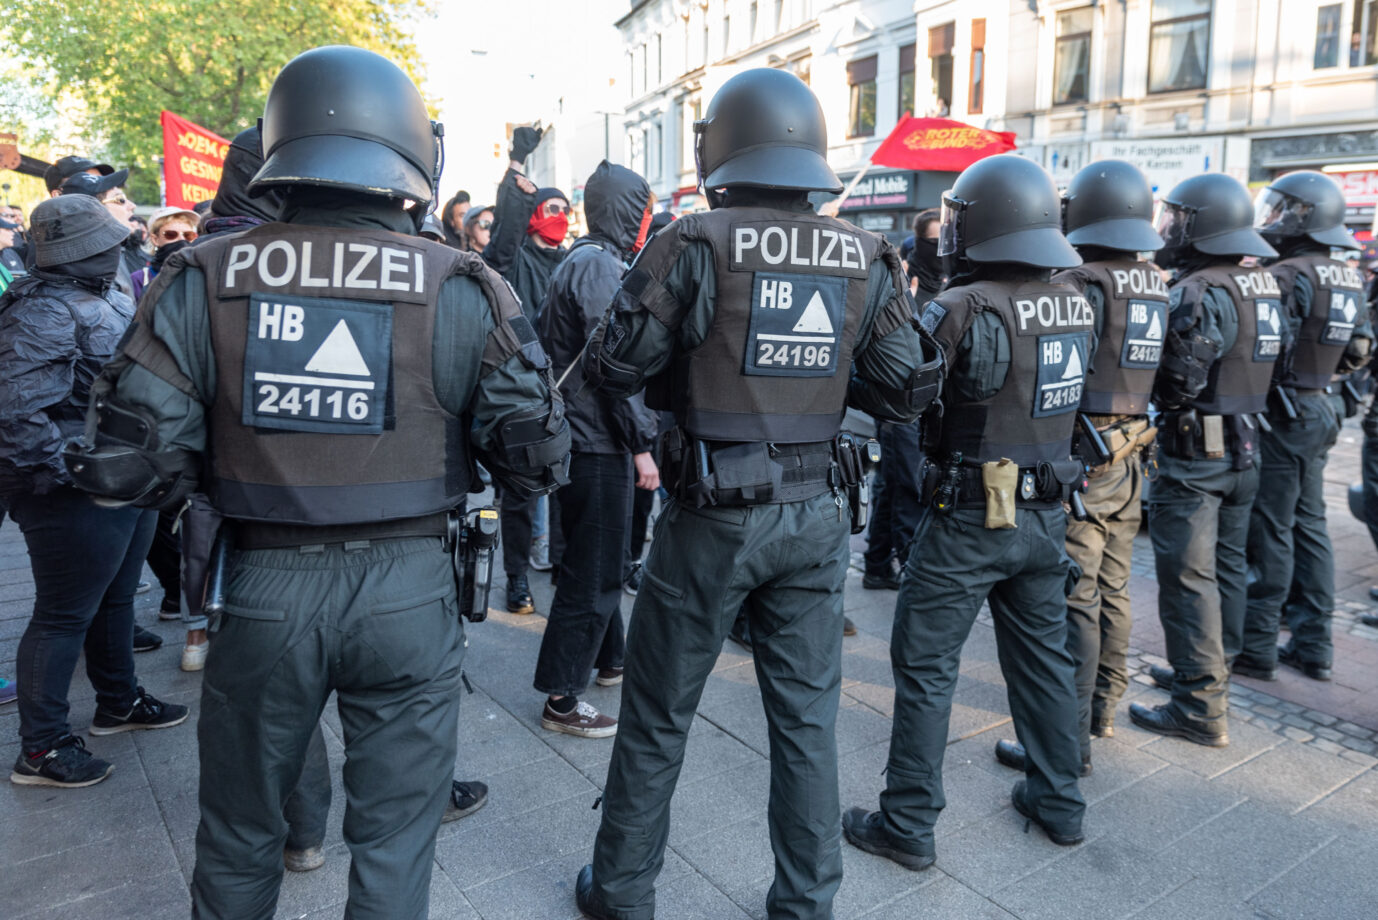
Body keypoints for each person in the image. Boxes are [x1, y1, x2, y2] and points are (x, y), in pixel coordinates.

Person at [64, 45, 569, 918]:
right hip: (411, 590)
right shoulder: (463, 283)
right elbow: (537, 457)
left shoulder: (200, 275)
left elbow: (129, 463)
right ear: (411, 155)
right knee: (397, 843)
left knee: (237, 837)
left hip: (261, 583)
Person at [575, 67, 942, 920]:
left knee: (661, 711)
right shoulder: (868, 254)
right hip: (817, 516)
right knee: (808, 721)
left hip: (709, 516)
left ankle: (624, 891)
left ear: (723, 150)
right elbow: (905, 392)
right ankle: (807, 901)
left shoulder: (693, 241)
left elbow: (615, 365)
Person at [844, 154, 1091, 869]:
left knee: (924, 667)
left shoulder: (959, 307)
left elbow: (902, 393)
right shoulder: (1075, 298)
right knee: (1043, 663)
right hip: (1046, 515)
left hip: (967, 518)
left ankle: (908, 823)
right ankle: (1060, 803)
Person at [3, 195, 189, 789]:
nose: (122, 243)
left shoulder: (102, 291)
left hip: (120, 473)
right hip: (73, 488)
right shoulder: (40, 314)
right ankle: (42, 748)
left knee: (115, 600)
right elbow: (17, 415)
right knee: (62, 617)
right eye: (110, 239)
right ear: (84, 249)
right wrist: (82, 476)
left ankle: (119, 701)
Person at [989, 160, 1165, 778]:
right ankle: (1102, 709)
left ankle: (1068, 742)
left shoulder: (1082, 282)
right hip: (1133, 447)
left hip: (1087, 454)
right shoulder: (1157, 282)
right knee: (1114, 585)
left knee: (1077, 595)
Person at [1135, 173, 1280, 747]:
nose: (1168, 228)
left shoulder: (1196, 291)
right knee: (1225, 571)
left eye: (1177, 217)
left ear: (1203, 225)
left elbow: (1178, 382)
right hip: (1247, 448)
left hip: (1197, 457)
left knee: (1189, 580)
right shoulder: (1260, 283)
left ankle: (1198, 703)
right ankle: (1212, 671)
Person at [533, 161, 659, 738]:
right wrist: (640, 446)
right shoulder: (599, 267)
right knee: (596, 571)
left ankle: (610, 659)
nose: (648, 220)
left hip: (582, 437)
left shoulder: (581, 261)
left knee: (597, 561)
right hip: (597, 441)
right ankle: (562, 698)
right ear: (625, 210)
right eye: (644, 208)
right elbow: (616, 367)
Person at [1241, 171, 1371, 681]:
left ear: (1303, 215)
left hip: (1284, 411)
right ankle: (1314, 642)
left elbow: (1262, 351)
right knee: (1310, 524)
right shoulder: (1347, 275)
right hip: (1321, 406)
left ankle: (1257, 646)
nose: (1271, 219)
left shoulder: (1285, 275)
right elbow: (1359, 350)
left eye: (1280, 209)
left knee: (1270, 527)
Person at [482, 126, 570, 616]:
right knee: (517, 492)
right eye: (551, 209)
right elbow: (504, 237)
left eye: (565, 210)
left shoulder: (573, 261)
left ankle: (556, 560)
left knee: (564, 487)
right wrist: (517, 167)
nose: (559, 218)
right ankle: (516, 578)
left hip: (564, 393)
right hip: (520, 394)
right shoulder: (513, 260)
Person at [863, 208, 942, 591]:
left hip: (928, 410)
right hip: (901, 411)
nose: (941, 246)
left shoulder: (951, 285)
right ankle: (910, 570)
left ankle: (877, 564)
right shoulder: (903, 286)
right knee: (907, 489)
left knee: (891, 488)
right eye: (934, 238)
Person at [130, 205, 199, 301]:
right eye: (171, 234)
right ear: (155, 239)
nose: (181, 239)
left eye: (188, 235)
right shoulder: (139, 279)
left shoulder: (202, 275)